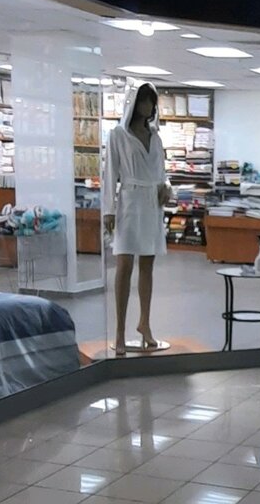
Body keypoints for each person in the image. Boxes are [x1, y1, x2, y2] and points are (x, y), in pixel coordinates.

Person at [102, 81, 171, 354]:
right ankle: (119, 330)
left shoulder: (155, 137)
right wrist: (108, 209)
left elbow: (161, 172)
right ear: (134, 103)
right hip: (129, 202)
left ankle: (145, 322)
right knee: (124, 265)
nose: (148, 106)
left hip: (152, 203)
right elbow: (110, 173)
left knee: (147, 265)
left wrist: (167, 187)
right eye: (144, 100)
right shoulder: (118, 134)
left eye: (151, 102)